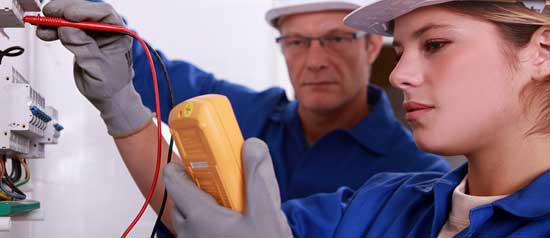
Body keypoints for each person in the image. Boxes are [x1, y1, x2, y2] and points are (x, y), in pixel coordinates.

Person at [34, 0, 450, 235]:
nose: (316, 60)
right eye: (298, 42)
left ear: (373, 47)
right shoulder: (255, 114)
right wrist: (115, 34)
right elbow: (161, 77)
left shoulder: (415, 180)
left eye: (336, 39)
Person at [162, 0, 550, 237]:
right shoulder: (382, 203)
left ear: (542, 51)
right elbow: (220, 224)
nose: (398, 75)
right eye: (399, 51)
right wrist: (124, 111)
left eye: (435, 44)